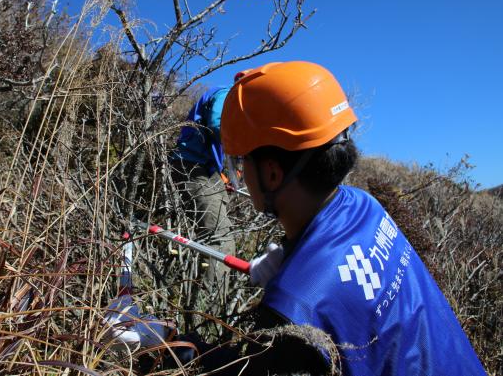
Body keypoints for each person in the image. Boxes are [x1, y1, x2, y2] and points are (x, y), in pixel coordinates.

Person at [173, 61, 486, 375]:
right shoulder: (366, 205)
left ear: (271, 173)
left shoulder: (295, 311)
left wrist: (176, 348)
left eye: (242, 161)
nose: (239, 171)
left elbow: (245, 369)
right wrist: (291, 256)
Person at [171, 85, 236, 305]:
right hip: (192, 166)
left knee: (218, 236)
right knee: (222, 241)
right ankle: (207, 313)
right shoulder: (227, 94)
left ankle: (203, 303)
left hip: (204, 168)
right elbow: (217, 123)